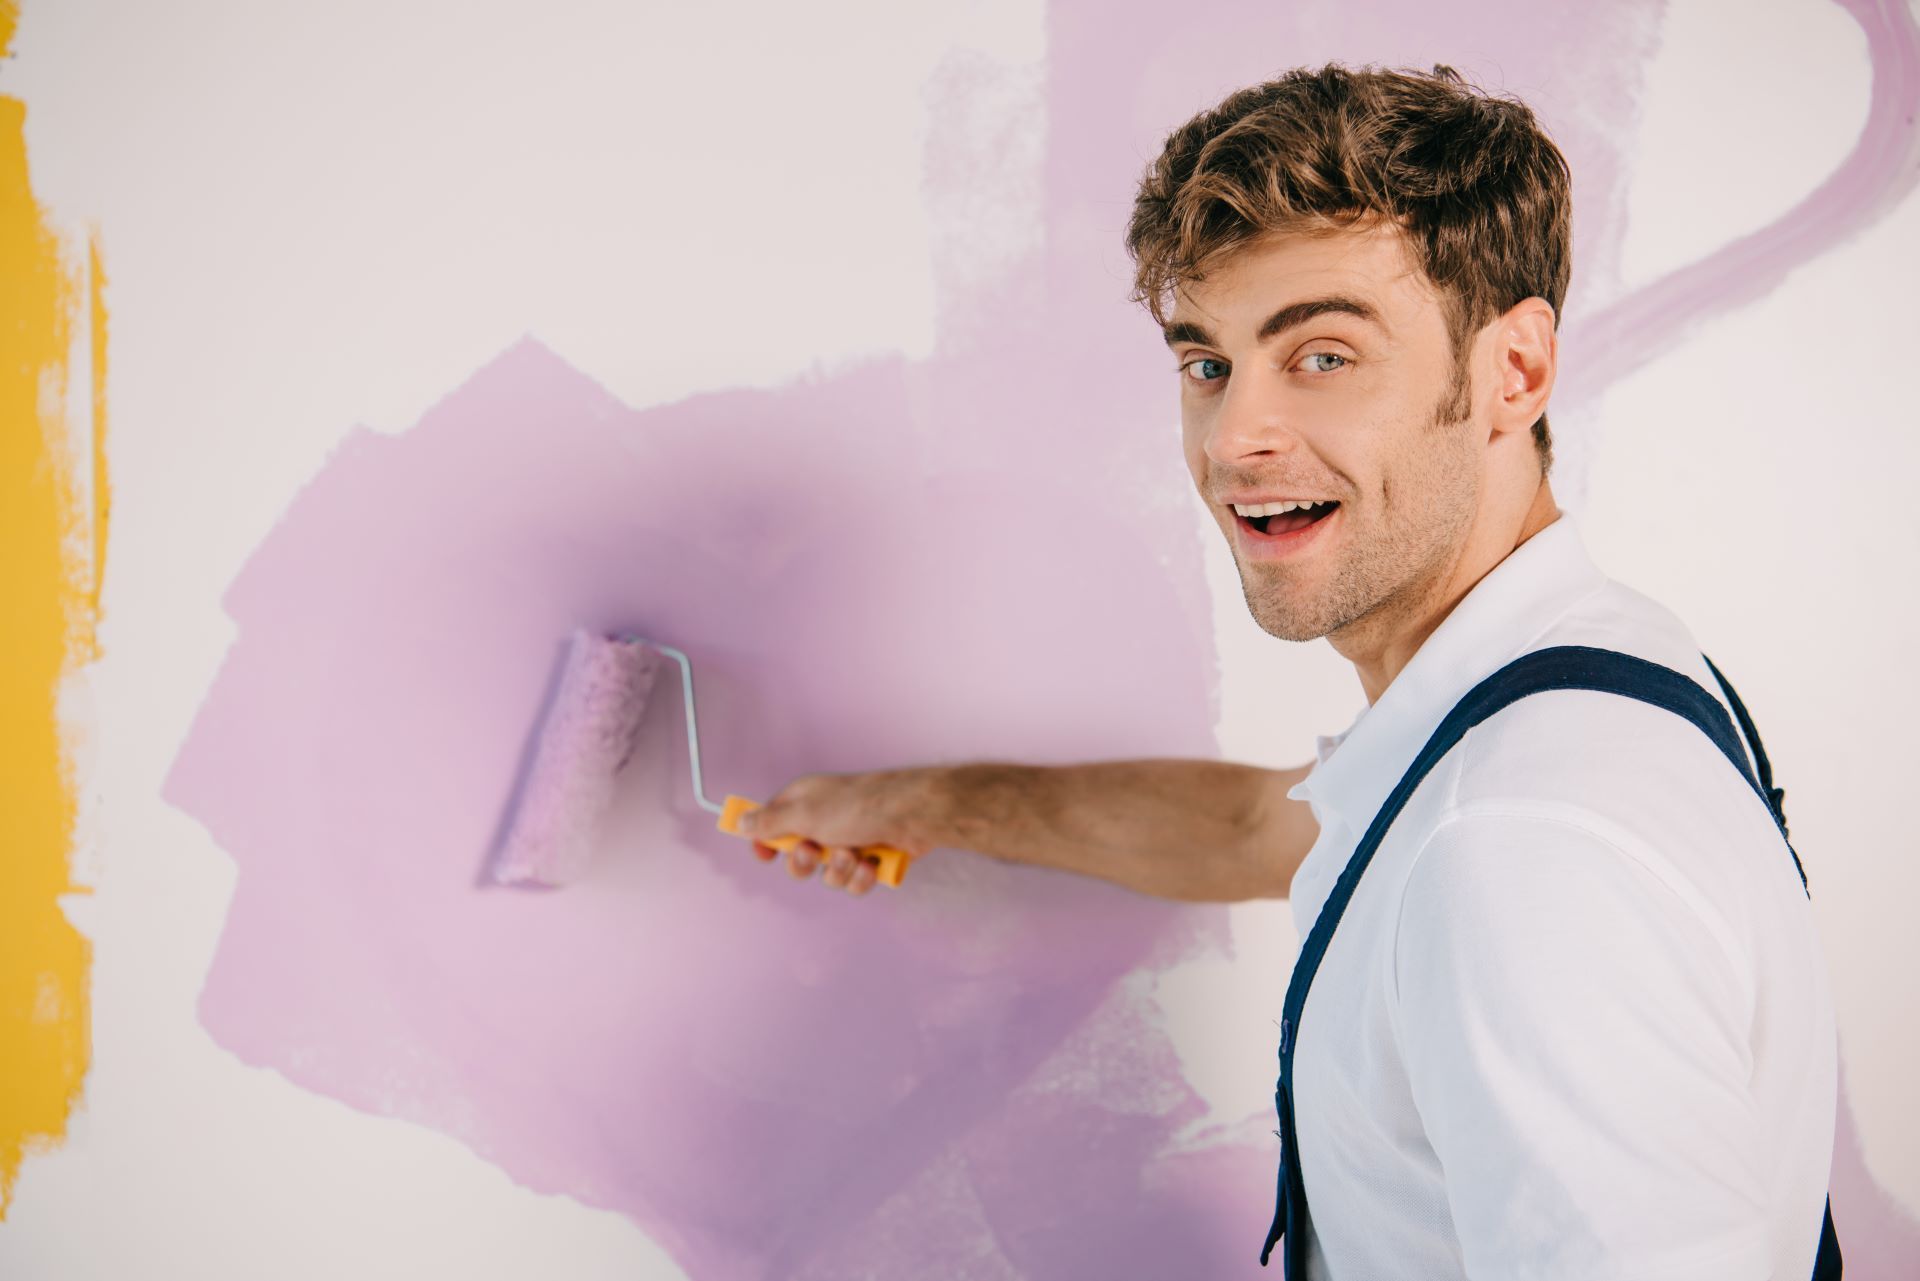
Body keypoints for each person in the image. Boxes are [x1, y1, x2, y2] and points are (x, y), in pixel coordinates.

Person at [736, 64, 1839, 1278]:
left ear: (1510, 373)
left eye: (1322, 356)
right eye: (1207, 363)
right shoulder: (1583, 675)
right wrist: (920, 807)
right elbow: (1278, 829)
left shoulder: (1516, 844)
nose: (1236, 439)